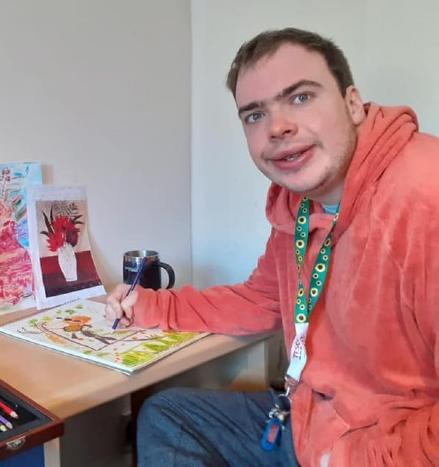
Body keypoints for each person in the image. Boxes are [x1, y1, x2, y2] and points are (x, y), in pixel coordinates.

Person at [105, 28, 438, 467]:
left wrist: (344, 457)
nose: (277, 127)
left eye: (300, 97)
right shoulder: (299, 202)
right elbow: (262, 300)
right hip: (312, 423)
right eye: (255, 115)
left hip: (389, 445)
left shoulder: (425, 196)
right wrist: (153, 306)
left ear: (353, 104)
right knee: (168, 416)